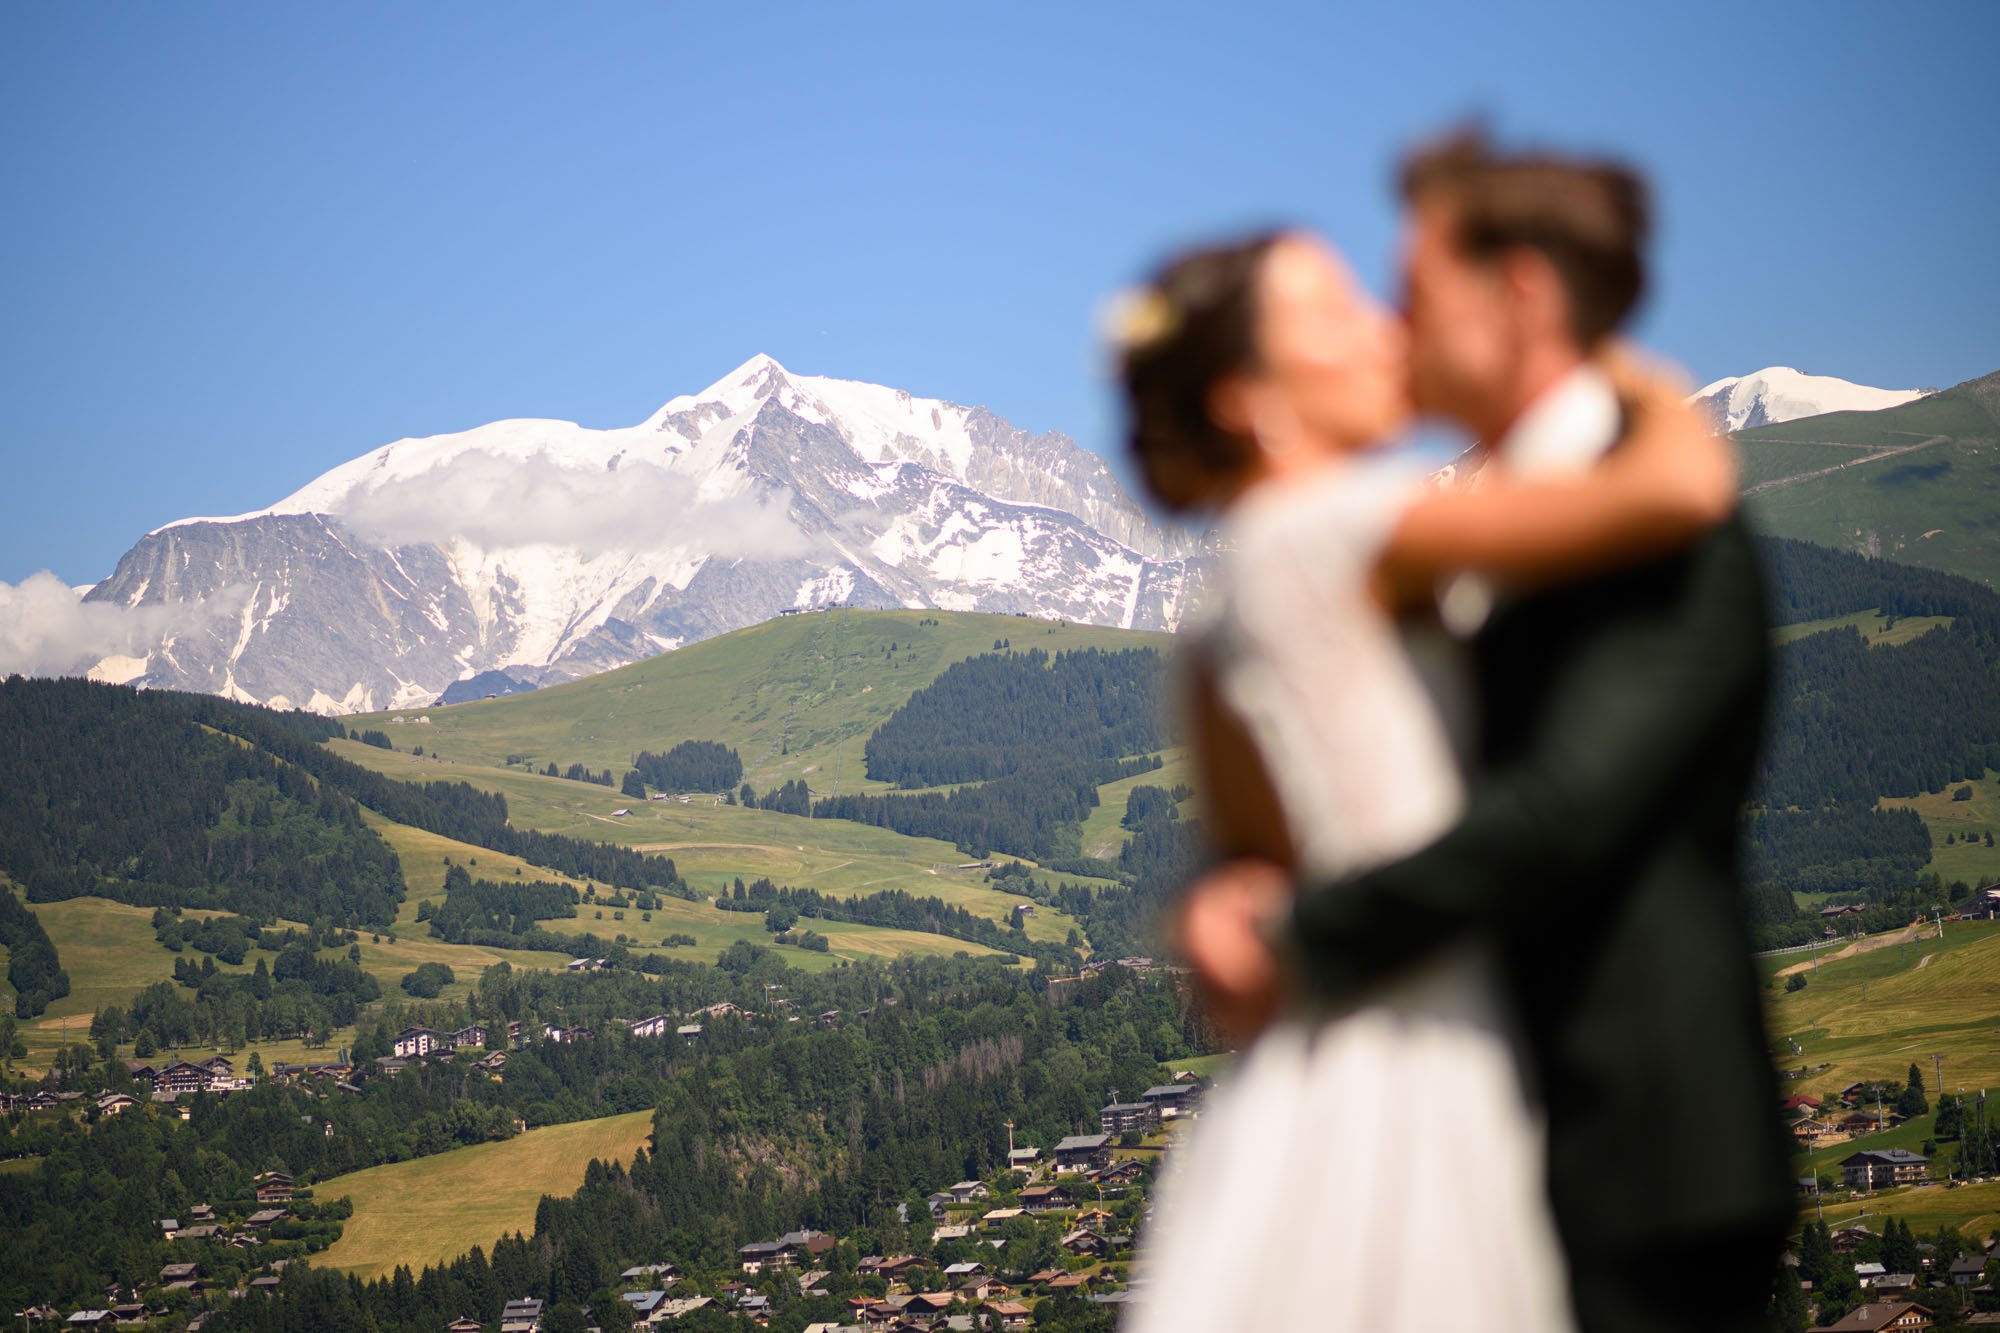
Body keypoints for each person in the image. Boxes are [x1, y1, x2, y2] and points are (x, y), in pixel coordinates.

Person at [1179, 131, 1795, 1333]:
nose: (1391, 326)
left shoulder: (1659, 533)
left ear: (1516, 294)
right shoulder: (1449, 531)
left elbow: (1566, 809)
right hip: (1490, 1118)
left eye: (1409, 292)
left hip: (1644, 1148)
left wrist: (1295, 930)